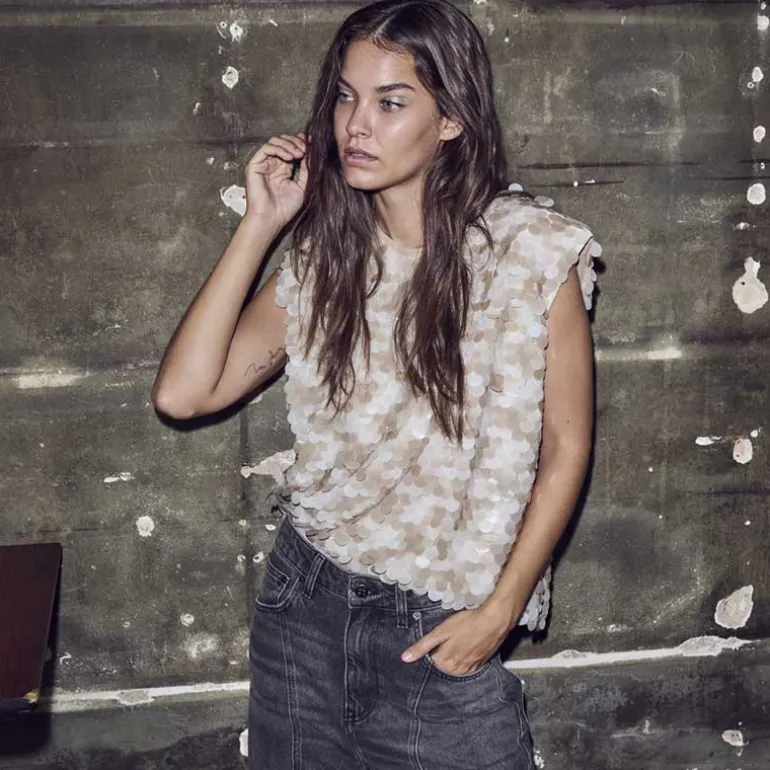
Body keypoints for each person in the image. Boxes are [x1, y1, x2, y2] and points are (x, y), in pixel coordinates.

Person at [152, 0, 602, 767]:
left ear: (451, 118)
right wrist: (261, 224)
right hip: (305, 610)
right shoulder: (326, 260)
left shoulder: (530, 252)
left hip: (439, 621)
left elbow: (566, 446)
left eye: (391, 103)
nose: (356, 125)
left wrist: (501, 611)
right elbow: (184, 396)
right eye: (345, 97)